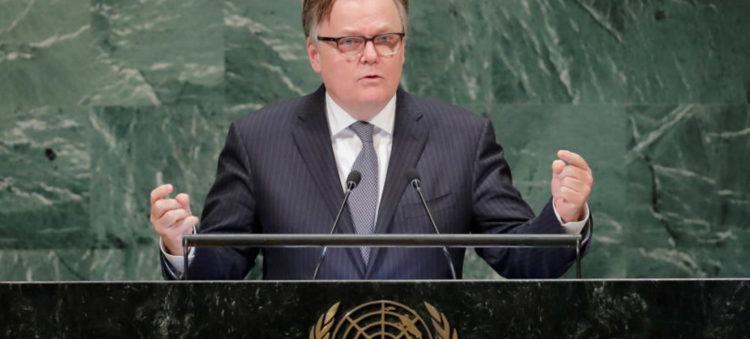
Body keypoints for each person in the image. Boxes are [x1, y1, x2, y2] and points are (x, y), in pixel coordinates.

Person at [150, 0, 593, 280]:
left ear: (402, 45)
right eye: (348, 41)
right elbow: (221, 272)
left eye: (386, 38)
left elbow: (523, 260)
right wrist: (182, 246)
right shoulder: (258, 140)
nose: (370, 55)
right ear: (314, 53)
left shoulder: (463, 136)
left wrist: (563, 215)